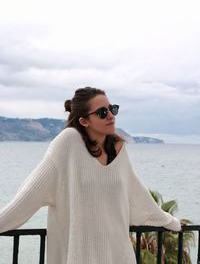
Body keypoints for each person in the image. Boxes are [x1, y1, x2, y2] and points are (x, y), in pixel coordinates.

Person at [0, 86, 181, 264]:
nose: (110, 115)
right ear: (83, 121)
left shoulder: (118, 149)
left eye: (112, 109)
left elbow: (136, 194)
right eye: (102, 112)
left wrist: (171, 222)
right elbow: (29, 195)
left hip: (119, 255)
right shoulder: (68, 143)